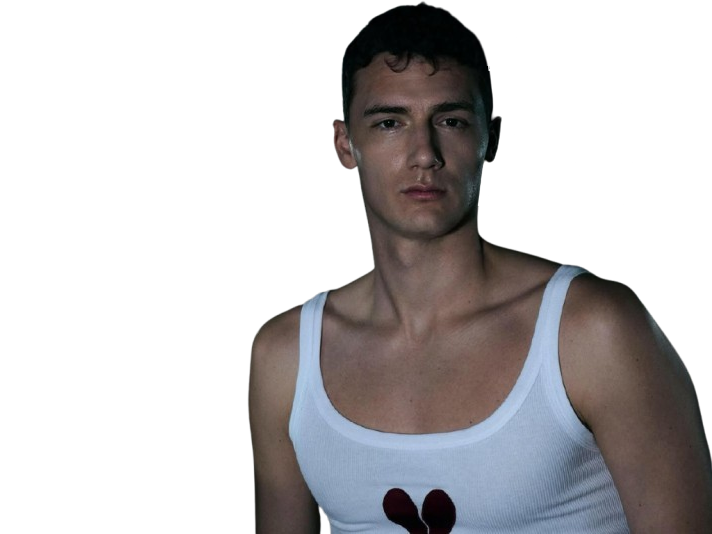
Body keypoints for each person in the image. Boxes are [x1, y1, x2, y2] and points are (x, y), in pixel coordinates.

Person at [248, 4, 712, 532]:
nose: (424, 154)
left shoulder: (591, 330)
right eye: (389, 123)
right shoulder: (284, 357)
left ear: (490, 139)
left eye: (451, 121)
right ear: (343, 143)